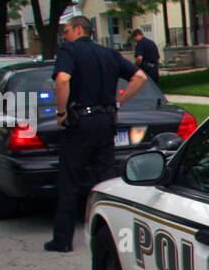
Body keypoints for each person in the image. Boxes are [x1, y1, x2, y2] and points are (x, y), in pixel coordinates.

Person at [45, 15, 147, 252]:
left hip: (81, 122)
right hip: (107, 120)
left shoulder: (69, 51)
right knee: (106, 180)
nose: (64, 34)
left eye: (66, 29)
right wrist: (119, 100)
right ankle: (113, 238)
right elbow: (140, 76)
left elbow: (62, 80)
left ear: (78, 29)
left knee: (70, 180)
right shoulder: (108, 53)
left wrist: (61, 113)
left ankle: (62, 240)